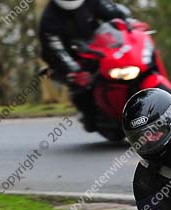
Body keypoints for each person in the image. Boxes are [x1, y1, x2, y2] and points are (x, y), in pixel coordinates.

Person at [39, 0, 133, 132]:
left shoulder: (92, 1)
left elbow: (113, 13)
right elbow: (56, 51)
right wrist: (74, 69)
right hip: (68, 57)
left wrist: (128, 23)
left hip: (98, 48)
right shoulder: (49, 19)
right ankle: (91, 116)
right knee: (82, 85)